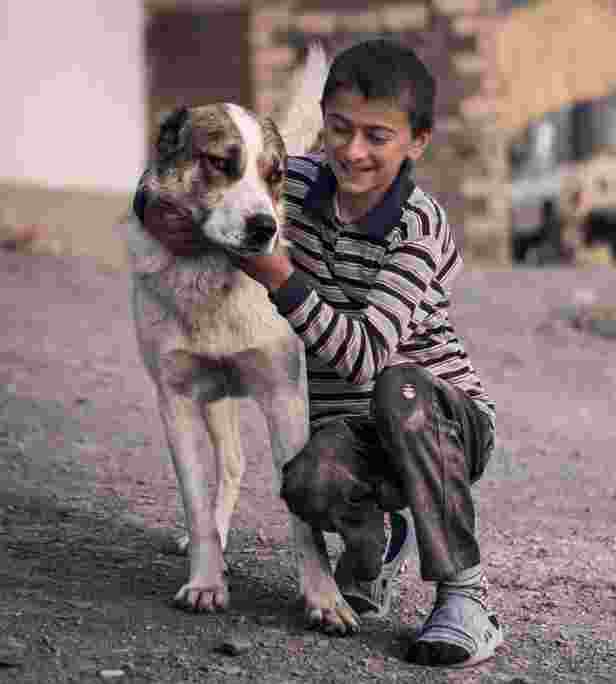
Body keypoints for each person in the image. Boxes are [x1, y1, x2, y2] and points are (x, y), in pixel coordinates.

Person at [134, 39, 502, 668]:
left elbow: (363, 358)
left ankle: (465, 597)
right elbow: (187, 174)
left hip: (441, 422)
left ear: (417, 142)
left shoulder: (419, 226)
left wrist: (280, 277)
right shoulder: (298, 183)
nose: (353, 151)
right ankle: (371, 555)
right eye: (339, 129)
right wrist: (151, 206)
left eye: (378, 137)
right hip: (354, 435)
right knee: (307, 475)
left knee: (398, 389)